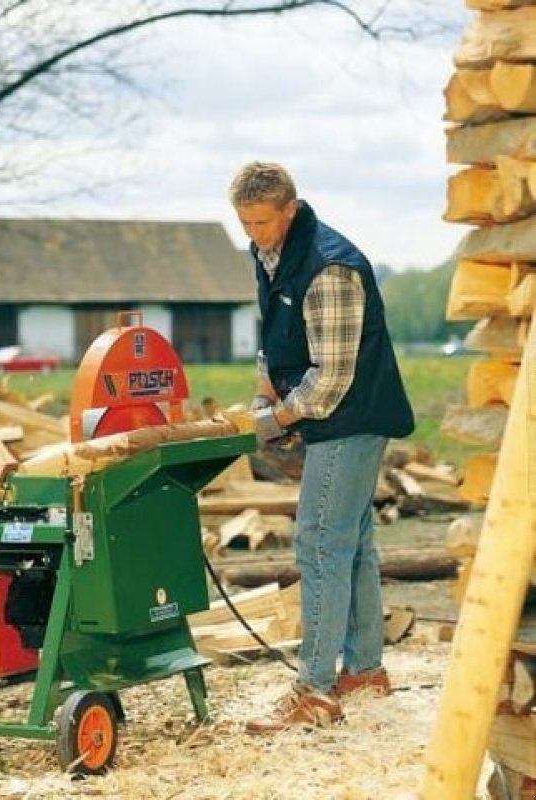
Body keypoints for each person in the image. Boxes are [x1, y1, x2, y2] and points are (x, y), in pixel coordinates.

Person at [228, 161, 414, 734]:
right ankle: (363, 669)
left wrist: (275, 420)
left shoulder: (329, 267)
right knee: (352, 541)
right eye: (245, 222)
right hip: (331, 414)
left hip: (351, 417)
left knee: (318, 542)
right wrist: (265, 388)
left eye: (263, 221)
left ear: (291, 209)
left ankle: (314, 687)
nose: (254, 232)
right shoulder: (271, 253)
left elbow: (330, 380)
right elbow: (276, 335)